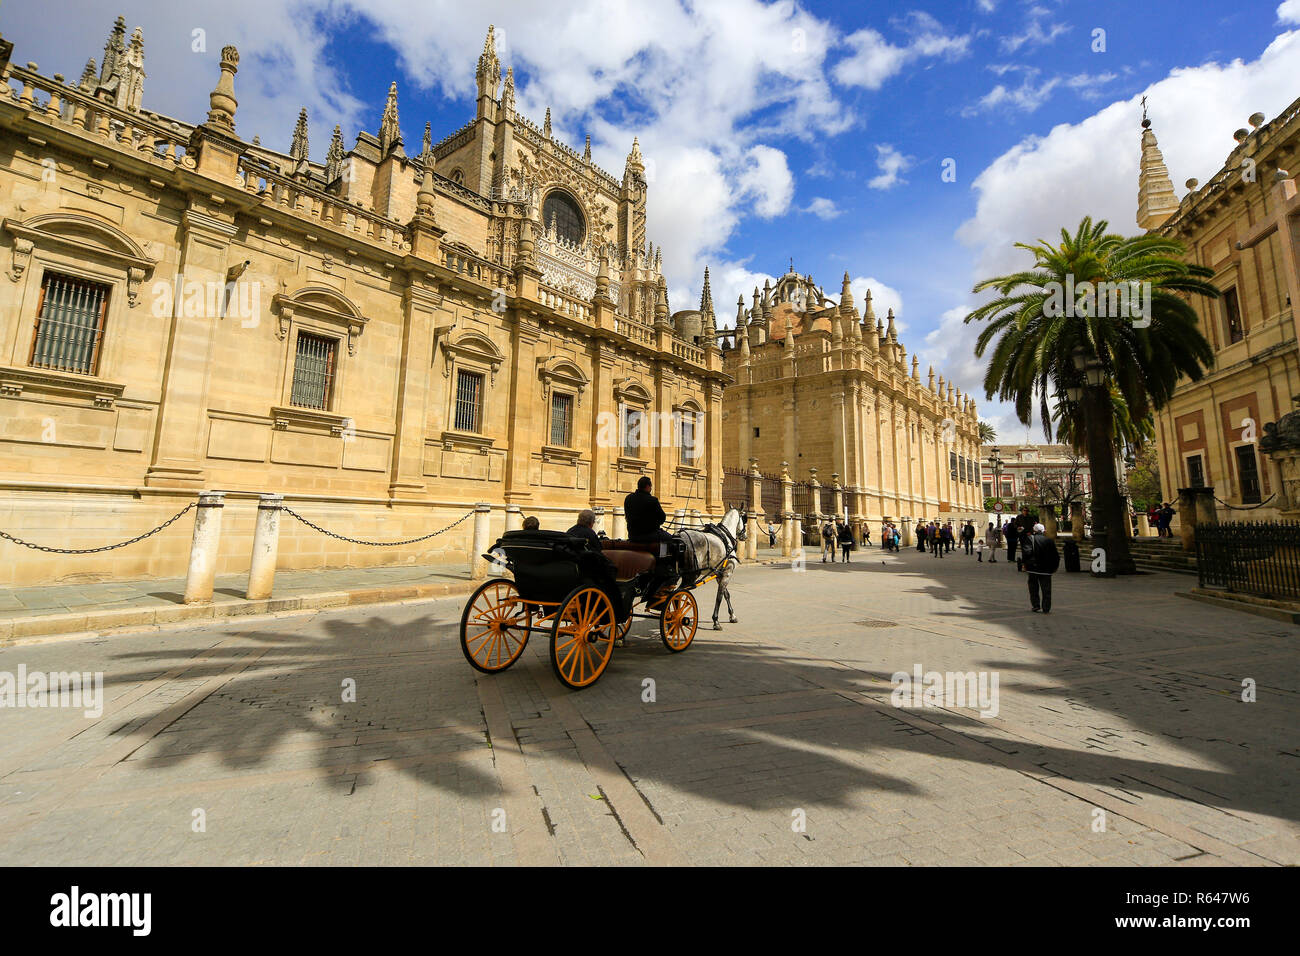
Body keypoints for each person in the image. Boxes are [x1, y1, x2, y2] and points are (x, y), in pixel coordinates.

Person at [1021, 522, 1060, 613]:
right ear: (1043, 531)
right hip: (1046, 569)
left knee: (1033, 588)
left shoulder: (1030, 539)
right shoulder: (1049, 540)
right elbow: (1055, 555)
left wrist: (1025, 564)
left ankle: (1036, 605)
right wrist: (1055, 567)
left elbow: (1026, 552)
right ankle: (1046, 607)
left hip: (1033, 568)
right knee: (1046, 590)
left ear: (1034, 530)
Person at [624, 476, 672, 545]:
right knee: (670, 538)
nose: (651, 489)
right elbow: (662, 518)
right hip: (648, 536)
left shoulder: (628, 498)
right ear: (647, 486)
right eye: (650, 486)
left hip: (632, 535)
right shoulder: (652, 500)